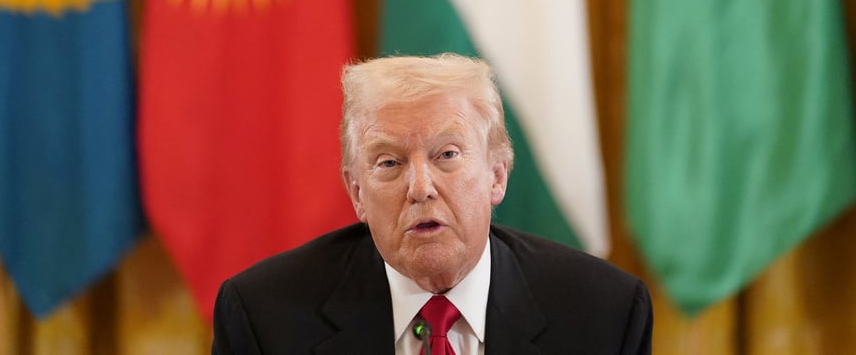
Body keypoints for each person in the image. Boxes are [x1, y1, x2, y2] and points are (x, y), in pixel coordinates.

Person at [212, 53, 653, 354]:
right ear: (357, 192)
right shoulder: (264, 318)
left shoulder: (604, 314)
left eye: (447, 155)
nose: (420, 187)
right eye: (389, 162)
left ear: (497, 175)